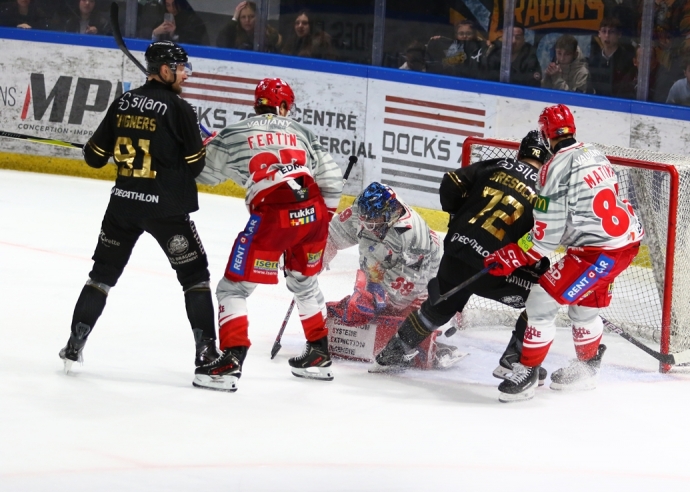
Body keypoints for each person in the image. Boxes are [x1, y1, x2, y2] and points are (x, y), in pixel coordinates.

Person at [58, 41, 220, 384]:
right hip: (167, 210)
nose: (184, 74)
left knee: (101, 275)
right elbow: (195, 165)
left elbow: (94, 157)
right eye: (179, 67)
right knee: (195, 278)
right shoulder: (180, 109)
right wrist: (194, 147)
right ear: (164, 70)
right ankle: (206, 356)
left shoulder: (123, 102)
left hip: (124, 206)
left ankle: (75, 343)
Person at [483, 104, 643, 402]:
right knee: (583, 308)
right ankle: (587, 368)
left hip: (597, 253)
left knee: (541, 302)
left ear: (546, 135)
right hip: (626, 243)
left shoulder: (553, 169)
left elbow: (544, 240)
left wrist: (512, 255)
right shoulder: (594, 152)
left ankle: (527, 373)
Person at [194, 78, 343, 390]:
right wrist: (321, 224)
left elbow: (204, 174)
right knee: (304, 282)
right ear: (285, 106)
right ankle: (319, 353)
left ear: (256, 104)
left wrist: (203, 147)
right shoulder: (303, 131)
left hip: (274, 216)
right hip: (314, 211)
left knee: (232, 289)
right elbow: (332, 179)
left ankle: (232, 360)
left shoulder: (234, 132)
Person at [371, 131, 552, 385]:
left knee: (440, 306)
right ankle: (516, 359)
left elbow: (453, 181)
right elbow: (542, 236)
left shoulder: (498, 164)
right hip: (494, 269)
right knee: (544, 300)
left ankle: (392, 353)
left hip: (457, 254)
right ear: (547, 159)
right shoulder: (547, 190)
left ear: (521, 151)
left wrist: (456, 217)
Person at [324, 182, 464, 369]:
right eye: (364, 220)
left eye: (373, 222)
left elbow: (406, 290)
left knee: (407, 312)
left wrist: (374, 300)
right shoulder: (363, 211)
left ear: (390, 213)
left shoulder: (413, 235)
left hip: (428, 272)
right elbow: (331, 236)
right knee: (364, 304)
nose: (366, 226)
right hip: (381, 263)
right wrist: (316, 257)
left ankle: (439, 334)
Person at [587, 17, 636, 98]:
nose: (607, 36)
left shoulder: (627, 60)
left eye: (611, 32)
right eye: (604, 31)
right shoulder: (594, 61)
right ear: (599, 34)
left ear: (619, 34)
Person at [216, 1, 282, 52]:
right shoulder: (233, 34)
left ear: (258, 17)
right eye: (243, 17)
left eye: (251, 16)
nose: (247, 20)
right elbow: (221, 43)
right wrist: (234, 19)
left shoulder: (269, 34)